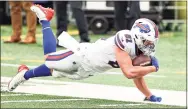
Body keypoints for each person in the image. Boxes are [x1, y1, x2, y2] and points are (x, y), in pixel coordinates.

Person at [8, 5, 161, 102]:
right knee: (49, 60)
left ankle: (24, 72)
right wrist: (152, 68)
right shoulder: (125, 39)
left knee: (53, 71)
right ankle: (45, 18)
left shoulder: (137, 49)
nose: (150, 45)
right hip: (82, 57)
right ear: (137, 36)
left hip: (89, 70)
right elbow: (128, 72)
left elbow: (136, 75)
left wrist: (149, 95)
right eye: (148, 41)